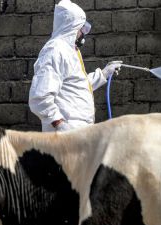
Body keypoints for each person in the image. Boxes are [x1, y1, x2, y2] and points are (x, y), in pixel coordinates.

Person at [29, 0, 122, 132]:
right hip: (65, 135)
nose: (83, 33)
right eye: (81, 29)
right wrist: (60, 124)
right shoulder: (55, 50)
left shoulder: (69, 51)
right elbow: (40, 96)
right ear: (71, 28)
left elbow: (76, 85)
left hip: (78, 132)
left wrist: (104, 73)